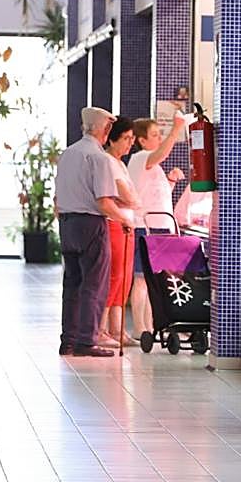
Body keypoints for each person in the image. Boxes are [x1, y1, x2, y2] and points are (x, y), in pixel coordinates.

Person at [53, 106, 122, 358]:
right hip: (91, 224)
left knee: (71, 284)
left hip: (67, 223)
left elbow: (57, 198)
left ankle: (68, 341)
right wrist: (125, 218)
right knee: (94, 284)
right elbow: (104, 202)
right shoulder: (100, 158)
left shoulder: (67, 154)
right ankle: (86, 341)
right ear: (105, 129)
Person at [128, 114, 187, 336]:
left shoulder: (152, 165)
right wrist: (176, 129)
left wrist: (170, 181)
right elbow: (162, 153)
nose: (159, 138)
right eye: (154, 135)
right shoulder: (141, 158)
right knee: (142, 278)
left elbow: (155, 197)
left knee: (155, 280)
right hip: (146, 227)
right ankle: (140, 328)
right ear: (142, 141)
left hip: (160, 226)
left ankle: (152, 326)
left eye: (160, 134)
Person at [102, 116, 140, 347]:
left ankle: (118, 330)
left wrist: (132, 201)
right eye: (125, 138)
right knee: (114, 276)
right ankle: (102, 329)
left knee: (124, 278)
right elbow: (127, 195)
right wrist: (132, 200)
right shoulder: (108, 161)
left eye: (132, 139)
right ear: (112, 139)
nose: (129, 144)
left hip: (127, 224)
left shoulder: (121, 163)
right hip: (114, 223)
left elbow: (132, 198)